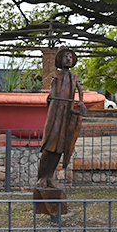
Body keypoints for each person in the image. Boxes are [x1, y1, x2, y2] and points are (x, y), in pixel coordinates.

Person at [36, 50, 85, 189]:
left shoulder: (74, 77)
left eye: (70, 57)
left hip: (66, 114)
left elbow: (80, 90)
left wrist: (81, 102)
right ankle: (42, 177)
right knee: (49, 145)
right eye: (66, 57)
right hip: (55, 113)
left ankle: (50, 177)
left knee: (60, 147)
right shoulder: (56, 76)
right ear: (60, 59)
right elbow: (52, 92)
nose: (68, 59)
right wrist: (50, 97)